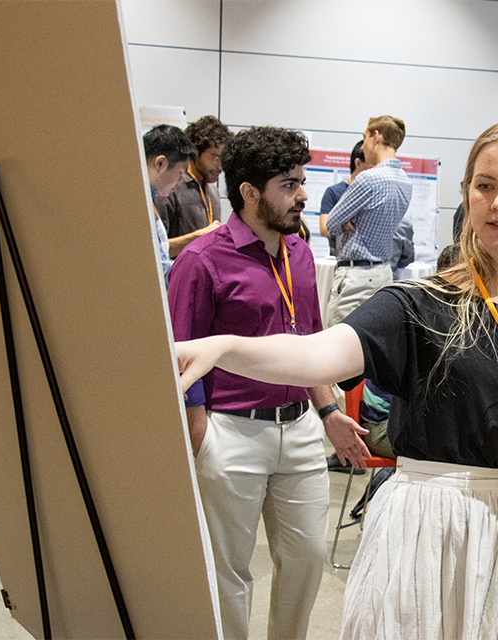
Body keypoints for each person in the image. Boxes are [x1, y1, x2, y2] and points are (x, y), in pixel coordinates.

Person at [175, 119, 498, 639]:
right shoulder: (419, 306)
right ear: (466, 194)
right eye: (484, 185)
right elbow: (315, 354)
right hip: (427, 530)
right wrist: (223, 347)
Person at [168, 126, 364, 640]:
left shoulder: (298, 252)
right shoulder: (202, 259)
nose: (302, 195)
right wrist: (198, 433)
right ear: (249, 192)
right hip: (230, 432)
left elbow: (309, 343)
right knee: (228, 571)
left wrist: (328, 413)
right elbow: (181, 356)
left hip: (300, 430)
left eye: (301, 180)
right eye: (288, 184)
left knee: (307, 560)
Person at [324, 115, 413, 325]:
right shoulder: (406, 182)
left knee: (337, 346)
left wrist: (345, 220)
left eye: (364, 138)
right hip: (384, 275)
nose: (362, 147)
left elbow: (331, 224)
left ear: (376, 137)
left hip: (356, 277)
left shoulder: (367, 178)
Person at [156, 115, 232, 258]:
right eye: (215, 158)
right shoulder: (170, 189)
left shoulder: (213, 192)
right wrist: (197, 237)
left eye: (223, 159)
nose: (221, 167)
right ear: (196, 152)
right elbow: (155, 250)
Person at [143, 124, 195, 283]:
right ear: (160, 164)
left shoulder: (149, 198)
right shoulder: (136, 205)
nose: (180, 182)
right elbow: (158, 273)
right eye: (180, 174)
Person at [319, 140, 371, 256]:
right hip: (340, 258)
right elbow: (323, 229)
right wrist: (342, 224)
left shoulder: (373, 193)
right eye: (371, 166)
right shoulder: (333, 192)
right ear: (358, 163)